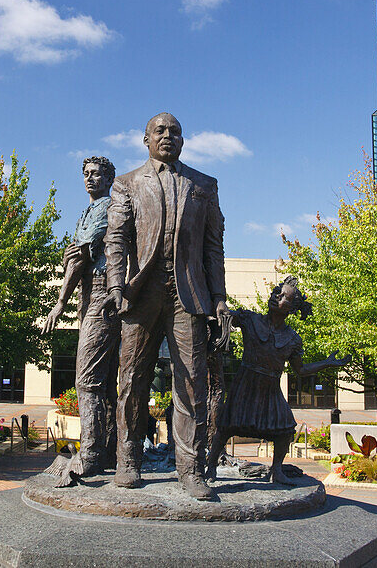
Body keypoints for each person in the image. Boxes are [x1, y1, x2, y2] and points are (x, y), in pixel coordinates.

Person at [104, 112, 228, 501]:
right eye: (160, 131)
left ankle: (190, 469)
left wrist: (219, 298)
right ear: (146, 139)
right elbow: (116, 239)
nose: (168, 136)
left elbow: (213, 246)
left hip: (188, 296)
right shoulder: (126, 184)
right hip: (141, 294)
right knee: (131, 380)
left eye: (175, 132)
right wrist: (116, 285)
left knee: (191, 382)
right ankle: (128, 461)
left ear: (183, 140)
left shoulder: (204, 185)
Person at [206, 276, 331, 485]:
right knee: (226, 426)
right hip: (245, 383)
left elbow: (300, 370)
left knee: (285, 428)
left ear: (292, 309)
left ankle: (277, 470)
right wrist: (219, 307)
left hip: (270, 388)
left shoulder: (292, 339)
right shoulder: (251, 319)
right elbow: (226, 316)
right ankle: (210, 468)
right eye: (276, 293)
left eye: (283, 297)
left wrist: (328, 363)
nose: (276, 297)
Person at [41, 157, 118, 485]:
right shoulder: (89, 210)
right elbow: (74, 256)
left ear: (109, 178)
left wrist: (59, 304)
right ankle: (108, 450)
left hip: (100, 293)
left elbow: (80, 257)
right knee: (104, 381)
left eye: (97, 174)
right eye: (86, 174)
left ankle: (89, 455)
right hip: (93, 294)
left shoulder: (103, 208)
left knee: (87, 379)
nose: (90, 178)